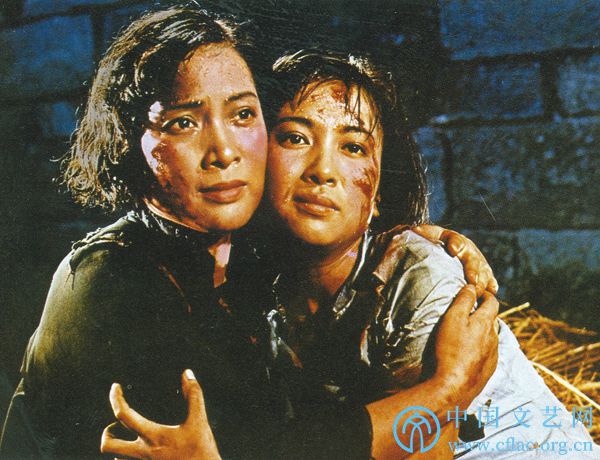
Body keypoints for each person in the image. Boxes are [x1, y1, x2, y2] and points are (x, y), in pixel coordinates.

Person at [1, 7, 497, 460]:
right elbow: (259, 449)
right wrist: (446, 391)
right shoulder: (112, 279)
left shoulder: (246, 255)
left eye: (242, 114)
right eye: (183, 122)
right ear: (129, 143)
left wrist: (422, 243)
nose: (224, 151)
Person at [101, 50, 598, 459]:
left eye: (354, 147)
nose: (323, 170)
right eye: (295, 138)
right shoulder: (250, 283)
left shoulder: (422, 279)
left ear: (377, 190)